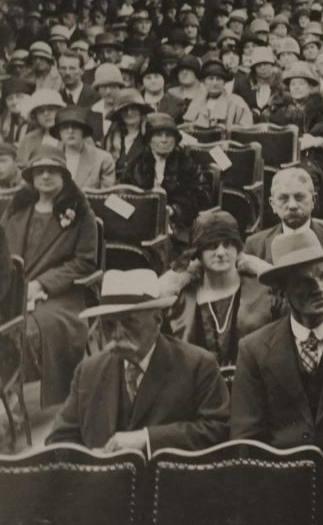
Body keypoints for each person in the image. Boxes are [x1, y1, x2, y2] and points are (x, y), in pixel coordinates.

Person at [231, 229, 323, 451]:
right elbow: (245, 438)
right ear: (282, 292)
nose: (319, 289)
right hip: (282, 478)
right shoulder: (254, 350)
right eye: (304, 281)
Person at [46, 268, 229, 452]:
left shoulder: (197, 365)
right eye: (108, 325)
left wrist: (148, 439)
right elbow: (60, 438)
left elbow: (220, 429)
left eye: (129, 323)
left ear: (157, 320)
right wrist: (92, 460)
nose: (117, 334)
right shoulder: (88, 371)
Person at [2, 146, 99, 407]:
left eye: (53, 171)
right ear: (32, 177)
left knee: (26, 331)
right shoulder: (18, 209)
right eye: (40, 171)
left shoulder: (79, 213)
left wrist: (42, 284)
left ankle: (13, 405)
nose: (45, 176)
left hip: (60, 295)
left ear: (64, 176)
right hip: (11, 289)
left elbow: (85, 261)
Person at [158, 210, 274, 366]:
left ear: (238, 249)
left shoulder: (263, 291)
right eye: (211, 246)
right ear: (197, 253)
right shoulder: (180, 300)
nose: (221, 252)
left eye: (228, 244)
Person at [244, 166, 323, 292]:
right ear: (273, 204)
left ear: (313, 201)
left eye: (299, 197)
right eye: (283, 198)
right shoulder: (255, 246)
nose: (292, 206)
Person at [120, 112, 211, 242]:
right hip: (140, 224)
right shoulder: (136, 164)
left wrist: (175, 210)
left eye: (168, 135)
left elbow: (202, 196)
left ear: (175, 140)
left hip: (178, 227)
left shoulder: (187, 164)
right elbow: (121, 193)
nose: (164, 140)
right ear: (149, 140)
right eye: (158, 135)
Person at [53, 105, 115, 189]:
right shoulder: (51, 158)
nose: (70, 131)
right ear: (58, 132)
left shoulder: (102, 159)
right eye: (65, 127)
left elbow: (106, 196)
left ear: (83, 130)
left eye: (75, 126)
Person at [181, 59, 254, 127]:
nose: (215, 83)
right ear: (204, 82)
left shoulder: (237, 102)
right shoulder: (197, 102)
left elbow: (246, 131)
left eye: (219, 79)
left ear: (224, 82)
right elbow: (187, 128)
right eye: (211, 79)